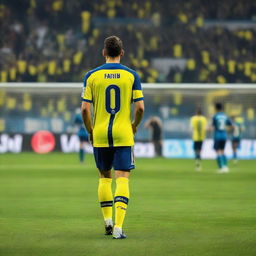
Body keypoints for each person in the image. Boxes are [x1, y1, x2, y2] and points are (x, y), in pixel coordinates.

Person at [81, 36, 144, 239]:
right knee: (123, 178)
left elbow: (84, 109)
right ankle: (118, 227)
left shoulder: (91, 76)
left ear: (103, 52)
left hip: (100, 133)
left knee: (104, 177)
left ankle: (107, 222)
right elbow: (140, 107)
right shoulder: (132, 75)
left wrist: (90, 130)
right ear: (122, 53)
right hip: (123, 133)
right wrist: (134, 125)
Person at [211, 103, 232, 173]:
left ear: (216, 108)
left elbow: (213, 126)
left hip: (217, 136)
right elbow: (232, 126)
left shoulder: (215, 116)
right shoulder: (226, 116)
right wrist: (227, 131)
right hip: (224, 136)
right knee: (223, 151)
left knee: (218, 151)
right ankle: (225, 166)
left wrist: (207, 129)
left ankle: (221, 167)